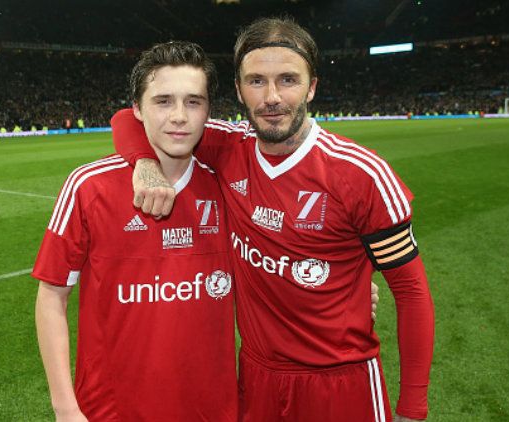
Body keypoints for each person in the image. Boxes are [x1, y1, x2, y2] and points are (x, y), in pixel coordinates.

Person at [111, 17, 434, 422]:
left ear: (312, 86)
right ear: (238, 89)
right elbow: (129, 117)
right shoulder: (229, 147)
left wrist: (413, 407)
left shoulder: (361, 174)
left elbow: (411, 292)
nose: (272, 96)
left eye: (288, 79)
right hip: (257, 376)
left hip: (340, 380)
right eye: (256, 81)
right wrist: (144, 163)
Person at [32, 41, 237, 421]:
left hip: (213, 409)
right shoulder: (88, 186)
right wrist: (65, 409)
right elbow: (51, 296)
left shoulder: (229, 187)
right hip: (110, 410)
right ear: (137, 110)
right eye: (163, 101)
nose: (179, 116)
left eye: (194, 102)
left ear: (209, 110)